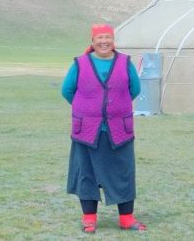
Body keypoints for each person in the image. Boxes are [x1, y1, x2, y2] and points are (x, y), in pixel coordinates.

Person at [61, 24, 147, 233]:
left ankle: (126, 219)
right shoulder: (80, 64)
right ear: (92, 41)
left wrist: (115, 108)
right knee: (87, 173)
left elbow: (134, 89)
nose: (104, 41)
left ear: (113, 40)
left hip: (119, 129)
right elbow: (67, 90)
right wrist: (88, 108)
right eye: (99, 38)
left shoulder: (125, 63)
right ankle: (89, 219)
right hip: (87, 130)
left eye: (107, 37)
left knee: (123, 172)